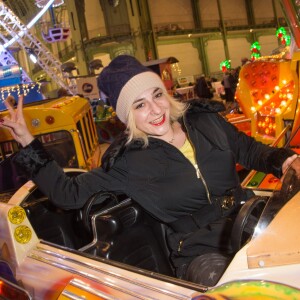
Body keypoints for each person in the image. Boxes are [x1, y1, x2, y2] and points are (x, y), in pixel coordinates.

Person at [0, 55, 299, 286]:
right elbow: (68, 194)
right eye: (139, 105)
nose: (155, 110)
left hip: (253, 226)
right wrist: (27, 142)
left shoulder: (204, 121)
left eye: (156, 95)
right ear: (127, 116)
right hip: (201, 252)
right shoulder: (128, 162)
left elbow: (250, 150)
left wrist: (284, 161)